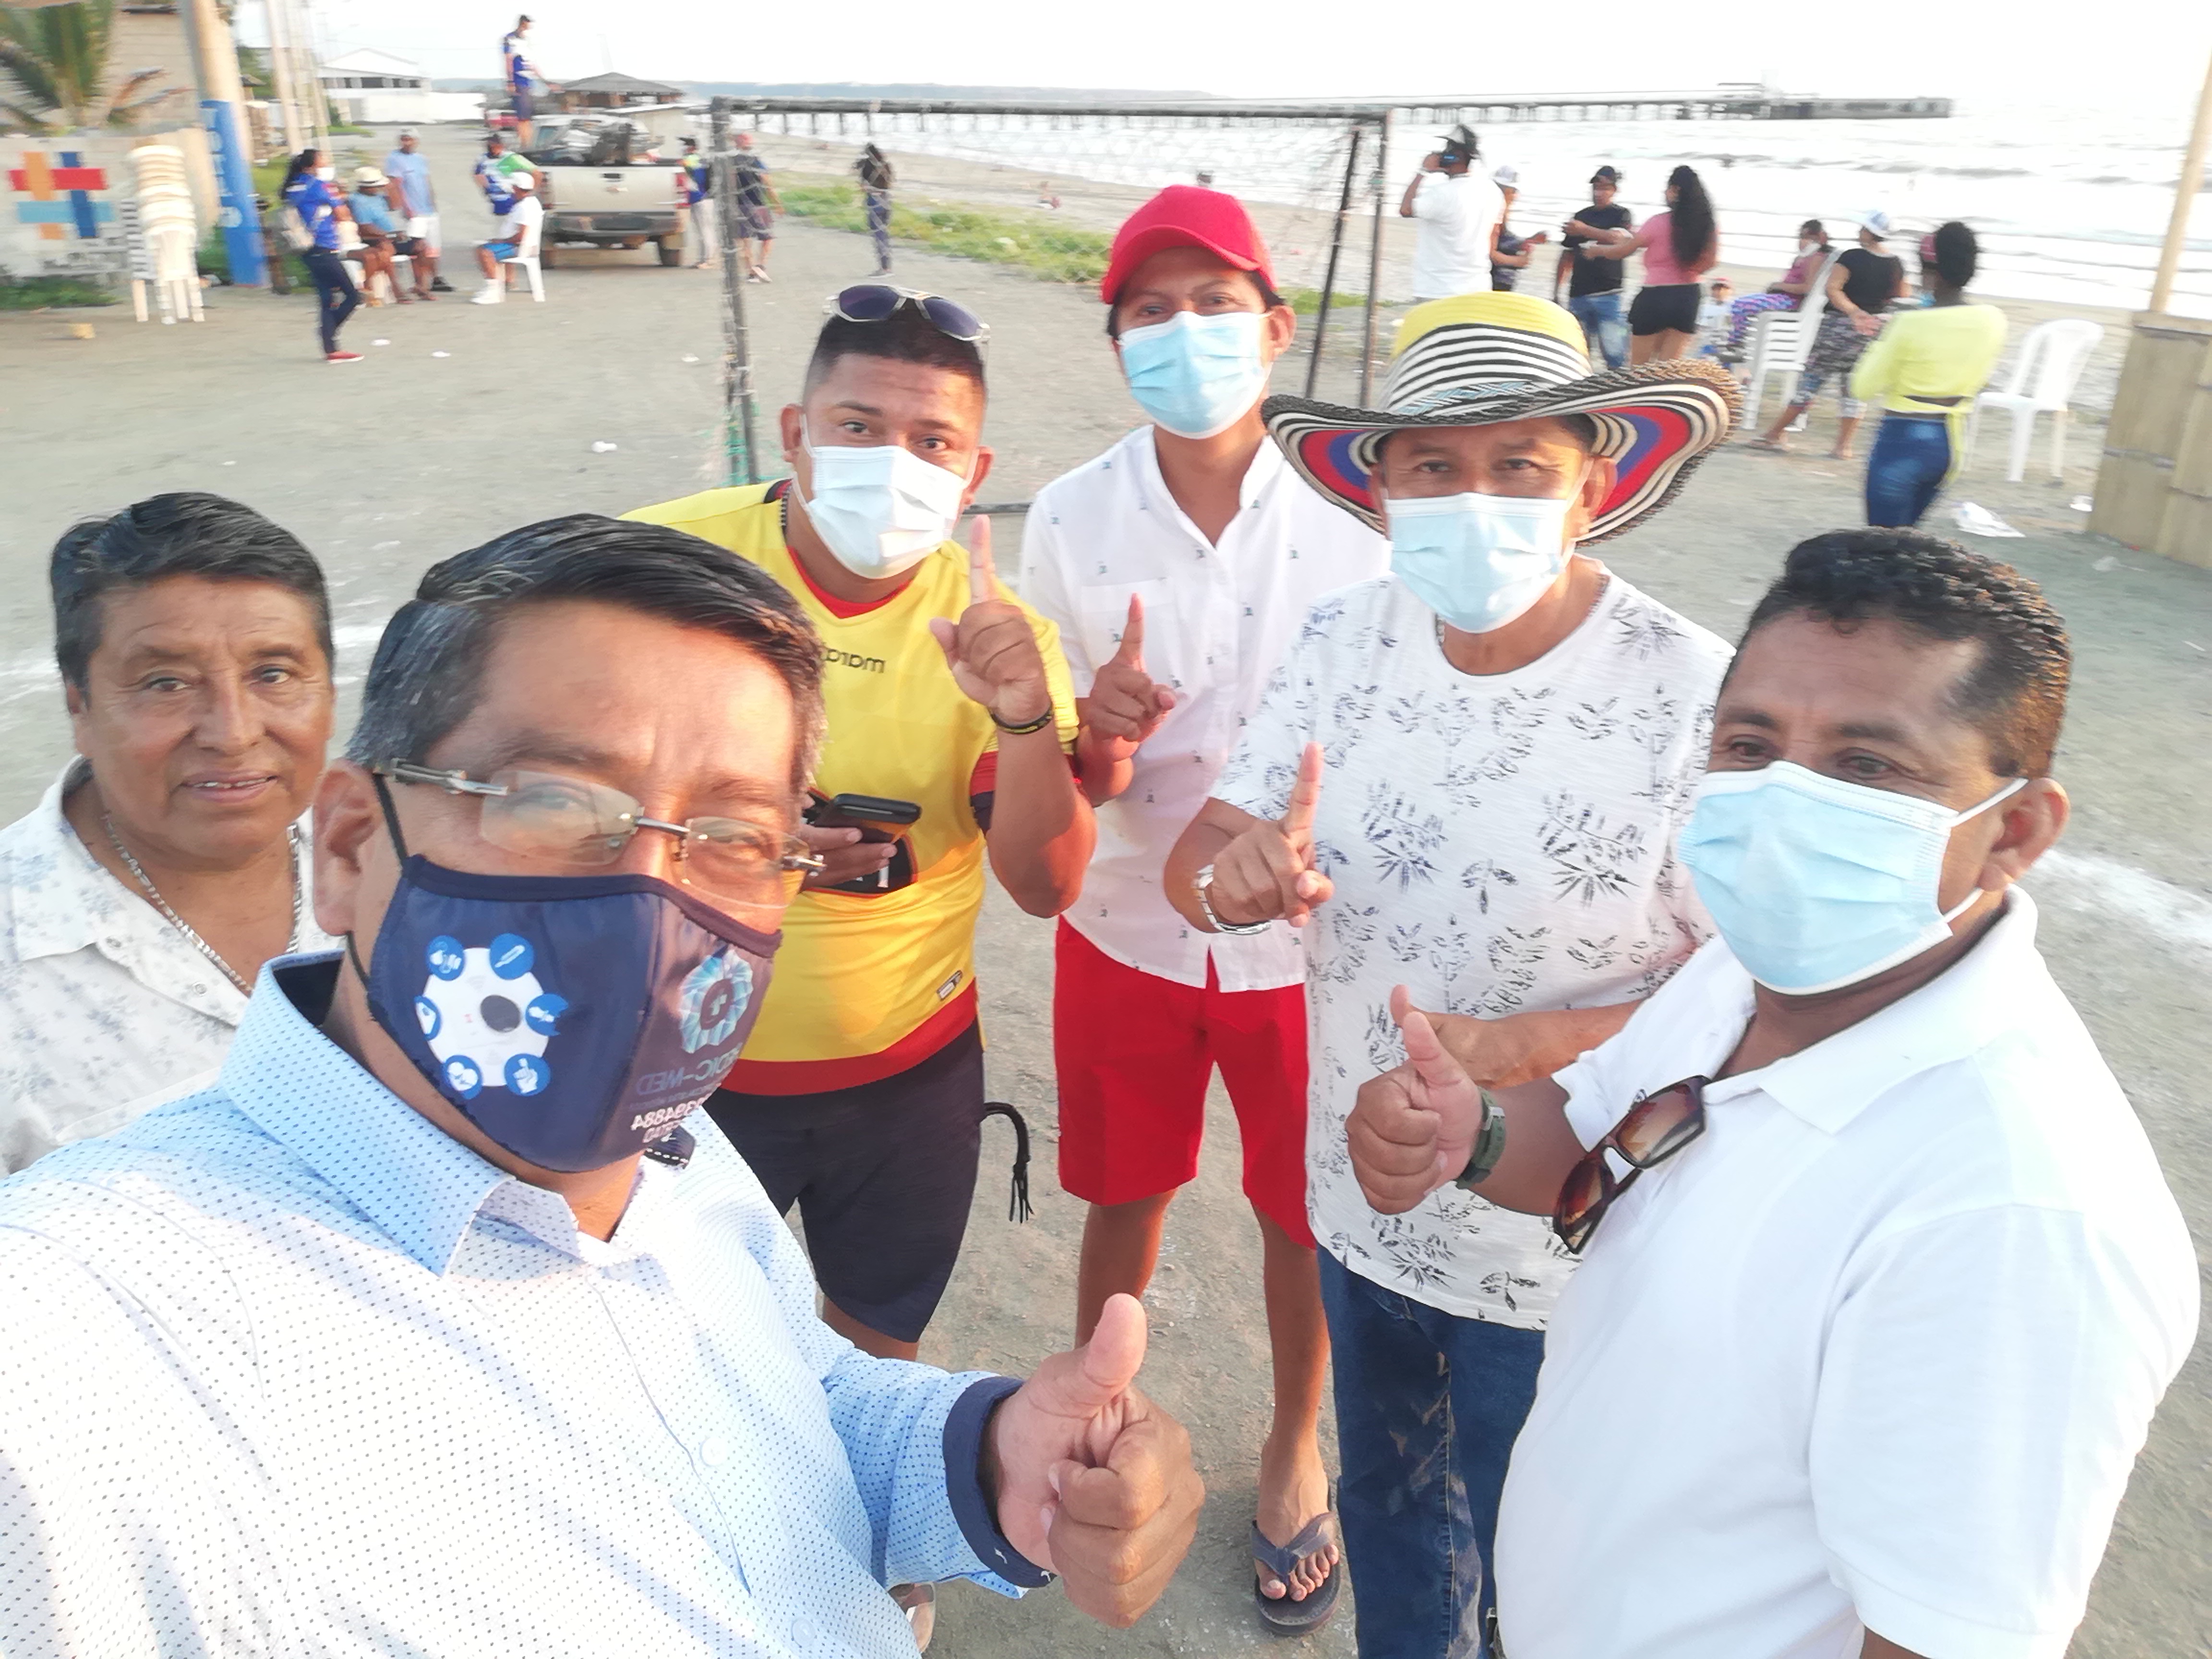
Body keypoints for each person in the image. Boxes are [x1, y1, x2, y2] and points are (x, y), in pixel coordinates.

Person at [0, 513, 1206, 1657]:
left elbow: (784, 1402)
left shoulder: (671, 1144)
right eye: (557, 801)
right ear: (354, 845)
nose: (652, 900)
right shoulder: (81, 1349)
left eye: (734, 837)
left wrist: (986, 1457)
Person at [1344, 530, 2198, 1659]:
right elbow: (1603, 1147)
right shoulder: (1758, 973)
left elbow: (1934, 1633)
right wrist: (1475, 1130)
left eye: (1867, 765)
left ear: (2016, 831)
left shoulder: (2016, 1218)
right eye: (1751, 745)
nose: (1784, 800)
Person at [1166, 291, 1740, 1659]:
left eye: (1518, 465)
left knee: (1549, 1578)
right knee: (1390, 1519)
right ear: (1382, 491)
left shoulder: (1697, 696)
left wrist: (1530, 1046)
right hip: (1361, 1202)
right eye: (1434, 465)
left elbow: (1758, 1000)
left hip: (1570, 1252)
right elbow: (1201, 859)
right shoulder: (1341, 642)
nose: (1474, 498)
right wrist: (1233, 881)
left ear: (1592, 485)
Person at [1019, 186, 1390, 1636]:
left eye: (1216, 304)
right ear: (1118, 340)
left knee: (1301, 1214)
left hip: (1313, 944)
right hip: (1127, 926)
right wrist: (1100, 733)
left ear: (1275, 326)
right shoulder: (1069, 517)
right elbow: (1061, 762)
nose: (1186, 334)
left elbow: (1395, 712)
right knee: (1125, 1192)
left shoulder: (1362, 511)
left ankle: (1296, 1447)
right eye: (1152, 311)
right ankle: (1092, 1414)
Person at [0, 494, 336, 1175]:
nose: (233, 733)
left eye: (272, 674)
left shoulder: (410, 867)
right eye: (166, 684)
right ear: (79, 706)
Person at [1851, 222, 2008, 528]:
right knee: (1909, 540)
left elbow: (1862, 388)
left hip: (1902, 440)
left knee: (1884, 543)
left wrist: (1882, 339)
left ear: (1929, 272)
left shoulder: (1909, 324)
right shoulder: (1993, 320)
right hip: (1951, 442)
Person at [1750, 210, 1908, 459]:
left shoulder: (1852, 257)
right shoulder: (1896, 264)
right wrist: (1874, 318)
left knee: (1811, 382)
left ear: (1869, 232)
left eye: (1863, 229)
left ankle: (1774, 435)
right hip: (1871, 331)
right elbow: (1901, 298)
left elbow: (1833, 289)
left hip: (1837, 327)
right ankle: (1843, 446)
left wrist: (1854, 312)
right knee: (1853, 390)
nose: (1860, 232)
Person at [1575, 163, 1718, 363]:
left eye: (1667, 189)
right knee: (1668, 370)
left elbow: (1624, 251)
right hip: (1688, 297)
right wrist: (1687, 269)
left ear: (1675, 190)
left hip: (1655, 297)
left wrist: (1597, 251)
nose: (1665, 193)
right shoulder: (1706, 225)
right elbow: (1711, 263)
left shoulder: (1658, 222)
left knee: (1640, 370)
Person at [1400, 124, 1504, 302]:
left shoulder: (1441, 194)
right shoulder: (1493, 191)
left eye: (1446, 150)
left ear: (1454, 155)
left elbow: (1406, 209)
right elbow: (1494, 234)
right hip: (1477, 287)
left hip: (1437, 289)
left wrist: (1422, 172)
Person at [280, 147, 361, 363]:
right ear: (312, 166)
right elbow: (343, 214)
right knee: (353, 296)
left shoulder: (293, 186)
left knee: (327, 298)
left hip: (305, 248)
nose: (326, 164)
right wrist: (339, 199)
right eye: (322, 161)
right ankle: (328, 333)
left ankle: (331, 349)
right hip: (324, 247)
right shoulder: (319, 186)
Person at [1557, 165, 1632, 368]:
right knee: (1577, 355)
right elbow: (1567, 255)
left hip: (1608, 294)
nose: (1599, 193)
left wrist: (1584, 230)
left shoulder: (1621, 215)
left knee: (1615, 355)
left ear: (1614, 190)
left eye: (1605, 188)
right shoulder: (1581, 216)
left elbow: (1618, 239)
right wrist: (1557, 291)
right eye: (1596, 188)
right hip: (1578, 293)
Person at [1720, 218, 1830, 354]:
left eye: (1808, 238)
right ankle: (1738, 341)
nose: (1803, 241)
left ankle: (1737, 344)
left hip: (1791, 301)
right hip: (1782, 297)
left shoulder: (1816, 257)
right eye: (1801, 237)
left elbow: (1807, 288)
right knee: (1740, 304)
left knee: (1743, 305)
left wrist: (1779, 286)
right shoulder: (1804, 257)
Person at [381, 130, 445, 297]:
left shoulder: (421, 159)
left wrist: (433, 201)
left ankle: (434, 279)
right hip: (414, 211)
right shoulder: (395, 159)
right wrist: (406, 207)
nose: (407, 143)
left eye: (410, 139)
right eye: (404, 140)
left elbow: (426, 180)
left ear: (416, 141)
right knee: (417, 248)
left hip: (428, 210)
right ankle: (419, 283)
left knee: (432, 249)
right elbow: (395, 184)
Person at [345, 167, 415, 305]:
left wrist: (391, 187)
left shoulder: (377, 197)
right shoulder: (357, 201)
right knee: (386, 249)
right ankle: (396, 289)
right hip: (374, 238)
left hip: (390, 236)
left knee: (421, 246)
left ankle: (420, 286)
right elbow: (366, 227)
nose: (379, 188)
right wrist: (390, 235)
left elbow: (396, 204)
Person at [471, 170, 541, 304]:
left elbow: (521, 236)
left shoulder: (524, 207)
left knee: (485, 253)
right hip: (520, 244)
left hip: (518, 247)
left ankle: (493, 291)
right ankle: (493, 287)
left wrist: (501, 241)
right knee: (482, 248)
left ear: (516, 188)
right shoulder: (530, 202)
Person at [732, 130, 783, 283]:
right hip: (758, 205)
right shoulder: (755, 161)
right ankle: (761, 266)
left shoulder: (731, 162)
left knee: (744, 241)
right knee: (767, 238)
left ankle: (751, 272)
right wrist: (777, 203)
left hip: (739, 206)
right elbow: (768, 184)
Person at [1487, 168, 1547, 293]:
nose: (1514, 196)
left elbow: (1500, 240)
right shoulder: (1492, 213)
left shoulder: (1500, 212)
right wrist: (1518, 261)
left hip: (1499, 280)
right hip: (1493, 279)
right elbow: (1489, 252)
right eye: (1510, 192)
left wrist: (1524, 243)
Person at [499, 13, 555, 148]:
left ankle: (528, 144)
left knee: (527, 117)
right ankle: (525, 145)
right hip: (518, 81)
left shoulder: (526, 42)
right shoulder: (510, 39)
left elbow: (531, 65)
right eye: (527, 24)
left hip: (528, 82)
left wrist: (545, 82)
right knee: (522, 117)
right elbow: (509, 61)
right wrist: (511, 82)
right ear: (523, 23)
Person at [857, 142, 895, 274]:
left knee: (878, 234)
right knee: (884, 233)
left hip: (874, 201)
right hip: (886, 200)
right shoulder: (886, 166)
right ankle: (887, 265)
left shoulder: (867, 166)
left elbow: (863, 186)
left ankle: (883, 268)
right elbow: (890, 183)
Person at [680, 135, 715, 269]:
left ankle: (707, 259)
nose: (683, 148)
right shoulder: (697, 159)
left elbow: (695, 179)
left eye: (686, 145)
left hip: (701, 199)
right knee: (703, 230)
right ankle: (704, 259)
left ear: (692, 147)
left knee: (704, 231)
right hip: (701, 199)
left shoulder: (692, 159)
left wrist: (683, 164)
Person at [474, 132, 522, 218]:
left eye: (493, 145)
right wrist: (487, 189)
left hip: (510, 197)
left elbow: (526, 172)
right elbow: (478, 175)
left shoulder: (510, 157)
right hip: (495, 199)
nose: (491, 148)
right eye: (489, 145)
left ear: (501, 146)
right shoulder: (483, 158)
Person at [1691, 277, 1732, 357]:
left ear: (1730, 291)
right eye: (1717, 289)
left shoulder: (1735, 308)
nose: (1720, 292)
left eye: (1724, 289)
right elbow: (1697, 329)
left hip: (1727, 347)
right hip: (1707, 346)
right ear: (1712, 291)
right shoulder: (1704, 308)